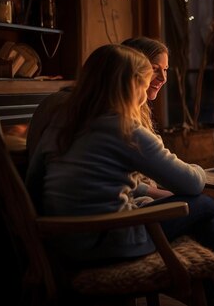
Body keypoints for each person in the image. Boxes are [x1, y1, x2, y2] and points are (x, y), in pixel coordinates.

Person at [25, 44, 214, 305]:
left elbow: (34, 182)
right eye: (144, 84)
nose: (146, 93)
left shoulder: (63, 123)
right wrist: (201, 169)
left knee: (202, 212)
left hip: (62, 243)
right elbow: (191, 183)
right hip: (110, 244)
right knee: (207, 207)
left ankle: (207, 294)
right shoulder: (125, 130)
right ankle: (210, 297)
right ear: (130, 86)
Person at [26, 36, 171, 201]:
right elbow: (94, 174)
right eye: (153, 69)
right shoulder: (96, 113)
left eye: (165, 69)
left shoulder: (107, 106)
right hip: (106, 213)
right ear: (128, 70)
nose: (163, 78)